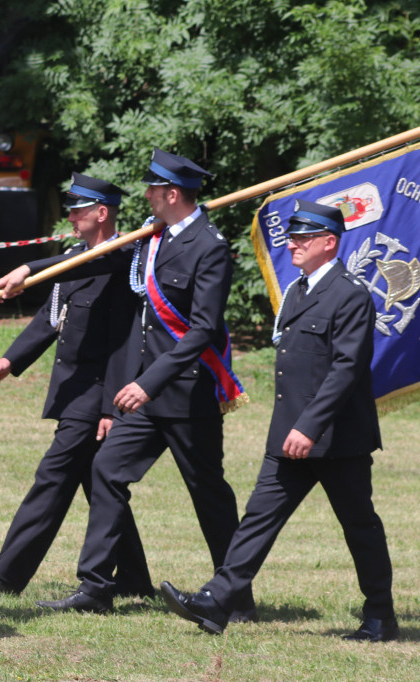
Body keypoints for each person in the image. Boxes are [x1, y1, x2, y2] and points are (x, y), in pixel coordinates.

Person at [0, 149, 254, 618]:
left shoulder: (209, 247)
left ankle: (235, 596)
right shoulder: (152, 238)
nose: (145, 195)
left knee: (208, 493)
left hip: (186, 393)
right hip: (143, 395)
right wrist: (29, 270)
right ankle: (96, 586)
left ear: (172, 194)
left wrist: (148, 383)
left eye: (153, 189)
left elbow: (203, 330)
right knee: (105, 471)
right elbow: (94, 262)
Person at [161, 200, 397, 641]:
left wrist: (310, 426)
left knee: (359, 525)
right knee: (258, 519)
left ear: (330, 243)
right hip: (290, 432)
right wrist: (295, 426)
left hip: (336, 438)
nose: (292, 244)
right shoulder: (298, 290)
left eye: (303, 237)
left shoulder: (350, 294)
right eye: (292, 236)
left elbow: (346, 369)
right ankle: (216, 601)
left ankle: (380, 616)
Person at [0, 173, 153, 599]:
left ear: (101, 213)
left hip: (98, 394)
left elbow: (123, 342)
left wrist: (111, 409)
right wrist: (10, 360)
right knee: (98, 484)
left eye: (78, 210)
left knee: (52, 477)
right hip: (74, 390)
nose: (70, 217)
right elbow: (52, 318)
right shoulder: (72, 258)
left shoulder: (125, 260)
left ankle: (7, 574)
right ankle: (134, 578)